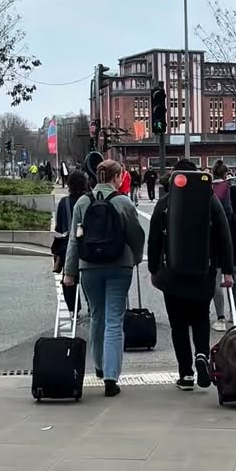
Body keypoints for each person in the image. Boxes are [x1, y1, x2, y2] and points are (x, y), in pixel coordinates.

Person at [148, 158, 234, 390]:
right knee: (200, 318)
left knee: (178, 325)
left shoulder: (165, 203)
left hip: (172, 275)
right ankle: (202, 356)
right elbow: (224, 236)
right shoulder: (211, 201)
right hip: (202, 273)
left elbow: (154, 237)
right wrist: (227, 270)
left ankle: (185, 374)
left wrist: (153, 269)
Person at [64, 159, 145, 396]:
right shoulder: (123, 202)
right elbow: (136, 234)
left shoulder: (82, 202)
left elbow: (73, 239)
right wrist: (137, 257)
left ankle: (99, 366)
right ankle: (111, 377)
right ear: (116, 177)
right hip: (119, 266)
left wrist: (70, 272)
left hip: (89, 266)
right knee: (114, 320)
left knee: (97, 316)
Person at [211, 160, 236, 332]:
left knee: (216, 276)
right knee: (232, 272)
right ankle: (233, 310)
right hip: (230, 236)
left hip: (212, 237)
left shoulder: (208, 190)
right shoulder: (232, 190)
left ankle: (219, 317)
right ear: (227, 174)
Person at [53, 170, 88, 316]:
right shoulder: (88, 200)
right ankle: (92, 306)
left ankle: (74, 309)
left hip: (68, 245)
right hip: (88, 244)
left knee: (69, 277)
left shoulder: (64, 203)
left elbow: (59, 228)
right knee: (88, 277)